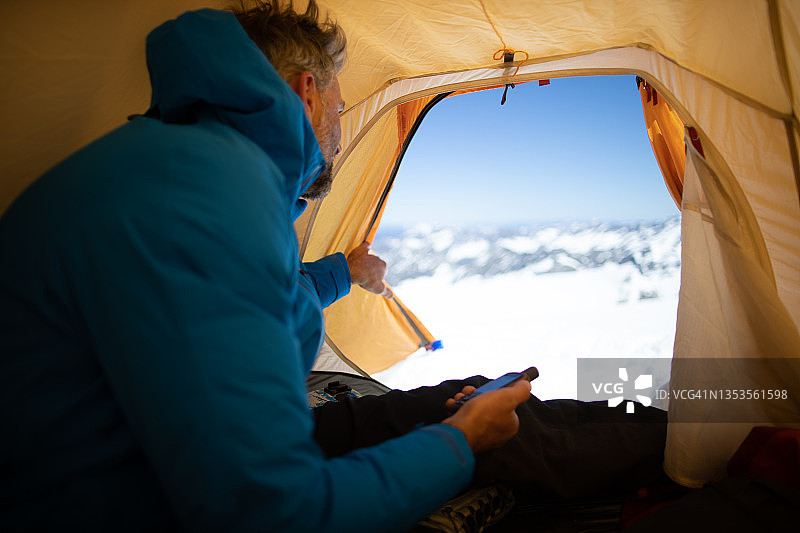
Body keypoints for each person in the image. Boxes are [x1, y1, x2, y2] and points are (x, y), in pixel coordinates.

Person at [0, 2, 531, 532]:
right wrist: (462, 442)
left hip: (125, 474)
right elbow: (270, 512)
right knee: (466, 425)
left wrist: (344, 272)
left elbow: (256, 301)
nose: (340, 133)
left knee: (432, 405)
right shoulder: (208, 193)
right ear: (307, 94)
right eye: (339, 108)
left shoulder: (182, 166)